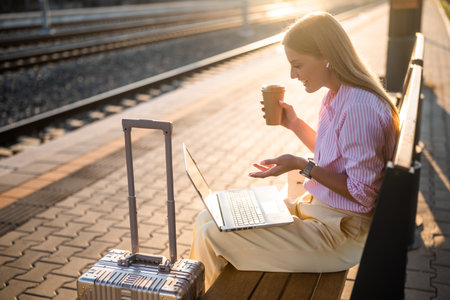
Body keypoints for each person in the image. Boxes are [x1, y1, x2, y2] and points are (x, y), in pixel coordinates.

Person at [189, 11, 399, 290]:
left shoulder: (359, 107)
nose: (292, 74)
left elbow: (364, 194)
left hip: (339, 233)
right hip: (319, 211)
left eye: (297, 65)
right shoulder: (338, 95)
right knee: (210, 216)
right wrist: (295, 124)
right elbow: (336, 158)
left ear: (326, 55)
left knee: (212, 235)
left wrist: (303, 165)